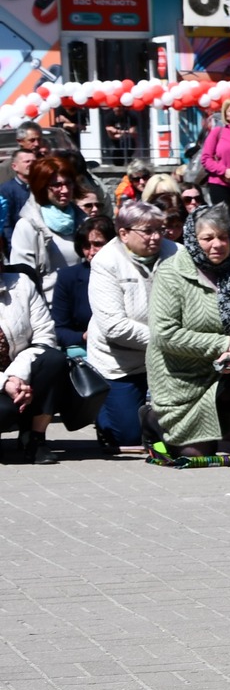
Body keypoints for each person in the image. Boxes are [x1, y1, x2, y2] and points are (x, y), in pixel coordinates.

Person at [144, 206, 230, 463]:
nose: (217, 244)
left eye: (223, 237)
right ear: (193, 240)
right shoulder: (171, 272)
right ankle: (152, 419)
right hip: (182, 376)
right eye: (207, 238)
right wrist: (224, 343)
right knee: (196, 455)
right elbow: (164, 334)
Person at [89, 201, 177, 449]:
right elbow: (114, 327)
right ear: (124, 233)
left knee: (177, 430)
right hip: (120, 361)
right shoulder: (106, 261)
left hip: (168, 358)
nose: (156, 236)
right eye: (147, 231)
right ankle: (103, 411)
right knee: (127, 437)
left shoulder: (177, 254)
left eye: (160, 229)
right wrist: (169, 338)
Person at [0, 263, 62, 463]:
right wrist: (5, 383)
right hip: (6, 385)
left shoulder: (22, 283)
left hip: (19, 374)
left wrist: (17, 375)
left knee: (54, 359)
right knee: (4, 412)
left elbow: (46, 336)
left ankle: (35, 439)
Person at [10, 156, 81, 300]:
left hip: (83, 303)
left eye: (69, 183)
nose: (65, 190)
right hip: (49, 306)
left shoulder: (83, 220)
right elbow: (24, 278)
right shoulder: (28, 226)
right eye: (57, 185)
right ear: (41, 187)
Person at [51, 215, 113, 353]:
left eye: (98, 244)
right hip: (87, 350)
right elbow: (59, 330)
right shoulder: (68, 278)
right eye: (86, 246)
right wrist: (84, 336)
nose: (91, 252)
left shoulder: (127, 274)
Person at [1, 142, 36, 236]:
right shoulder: (6, 189)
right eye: (27, 162)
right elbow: (6, 222)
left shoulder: (41, 186)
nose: (32, 165)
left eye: (34, 162)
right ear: (14, 166)